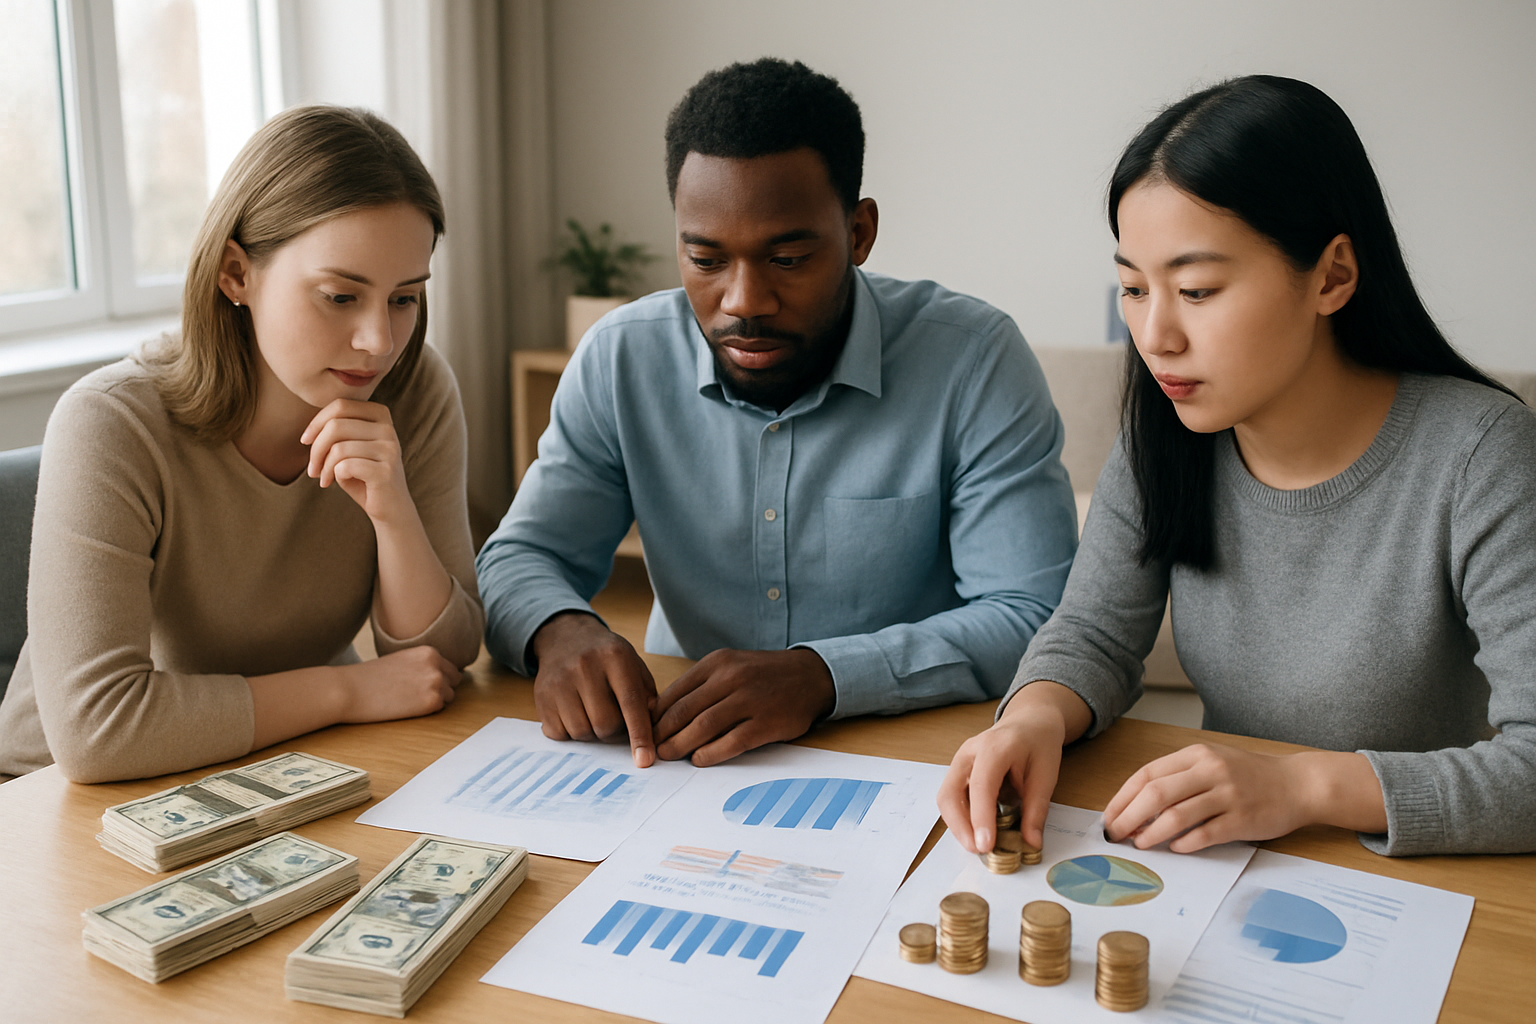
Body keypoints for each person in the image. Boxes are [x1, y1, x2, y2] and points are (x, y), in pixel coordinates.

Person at [940, 75, 1536, 858]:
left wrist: (1297, 786)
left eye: (1196, 288)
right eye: (1130, 287)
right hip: (1223, 864)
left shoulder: (1481, 453)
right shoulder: (1167, 433)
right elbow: (1094, 633)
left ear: (1332, 275)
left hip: (1415, 882)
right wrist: (1033, 718)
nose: (1155, 336)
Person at [477, 58, 1077, 771]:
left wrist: (822, 676)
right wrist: (560, 627)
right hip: (678, 759)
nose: (743, 302)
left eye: (788, 259)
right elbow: (520, 556)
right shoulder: (620, 357)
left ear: (859, 234)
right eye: (705, 260)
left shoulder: (974, 359)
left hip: (909, 754)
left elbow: (1032, 614)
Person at [0, 106, 484, 783]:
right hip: (59, 800)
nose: (379, 341)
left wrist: (392, 514)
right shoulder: (110, 425)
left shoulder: (416, 389)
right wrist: (345, 691)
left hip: (273, 761)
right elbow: (97, 732)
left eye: (404, 299)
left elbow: (445, 658)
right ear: (236, 273)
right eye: (341, 296)